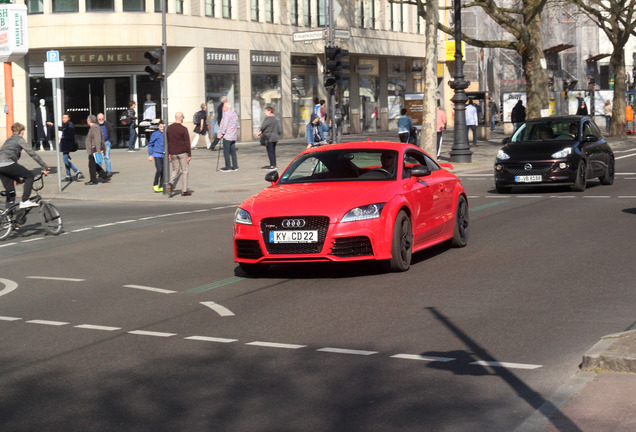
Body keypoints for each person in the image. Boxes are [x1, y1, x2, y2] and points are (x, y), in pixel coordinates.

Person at [0, 122, 51, 209]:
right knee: (30, 175)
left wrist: (17, 178)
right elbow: (32, 154)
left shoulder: (8, 140)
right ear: (22, 131)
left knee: (11, 192)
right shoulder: (19, 139)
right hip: (8, 164)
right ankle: (25, 200)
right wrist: (45, 167)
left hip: (1, 167)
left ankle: (9, 217)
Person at [166, 112, 192, 195]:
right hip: (182, 152)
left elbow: (168, 141)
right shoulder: (183, 129)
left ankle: (170, 183)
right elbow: (187, 142)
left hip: (173, 152)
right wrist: (189, 154)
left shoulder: (169, 128)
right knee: (185, 170)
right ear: (181, 118)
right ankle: (184, 191)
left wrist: (169, 153)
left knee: (175, 169)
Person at [84, 115, 110, 185]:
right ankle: (104, 175)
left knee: (91, 165)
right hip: (93, 149)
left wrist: (98, 149)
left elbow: (97, 138)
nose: (86, 121)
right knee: (94, 164)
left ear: (89, 121)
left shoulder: (94, 127)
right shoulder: (93, 127)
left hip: (94, 149)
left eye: (87, 120)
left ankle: (93, 180)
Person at [59, 113, 84, 182]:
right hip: (65, 145)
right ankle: (68, 176)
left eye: (65, 118)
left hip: (67, 145)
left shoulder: (70, 125)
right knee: (65, 160)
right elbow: (62, 129)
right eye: (63, 117)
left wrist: (62, 137)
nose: (64, 119)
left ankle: (77, 172)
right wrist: (53, 125)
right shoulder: (66, 124)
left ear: (69, 118)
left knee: (65, 160)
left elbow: (71, 136)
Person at [217, 103, 239, 172]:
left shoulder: (226, 114)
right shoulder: (234, 114)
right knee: (233, 152)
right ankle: (235, 166)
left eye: (223, 106)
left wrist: (221, 133)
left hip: (227, 135)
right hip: (233, 135)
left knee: (226, 152)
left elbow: (225, 125)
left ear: (226, 107)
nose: (223, 108)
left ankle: (228, 167)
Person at [257, 106, 280, 170]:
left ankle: (272, 165)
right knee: (273, 151)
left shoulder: (268, 118)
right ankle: (274, 164)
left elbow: (263, 127)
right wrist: (261, 132)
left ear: (269, 111)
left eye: (265, 111)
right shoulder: (274, 118)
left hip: (269, 137)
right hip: (275, 137)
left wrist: (261, 131)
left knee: (270, 152)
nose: (264, 113)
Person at [147, 120, 165, 193]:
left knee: (164, 171)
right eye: (160, 127)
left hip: (165, 154)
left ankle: (161, 185)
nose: (162, 128)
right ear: (158, 126)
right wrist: (150, 155)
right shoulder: (155, 134)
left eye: (163, 127)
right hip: (157, 153)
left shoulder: (166, 133)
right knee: (159, 169)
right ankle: (155, 184)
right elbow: (150, 144)